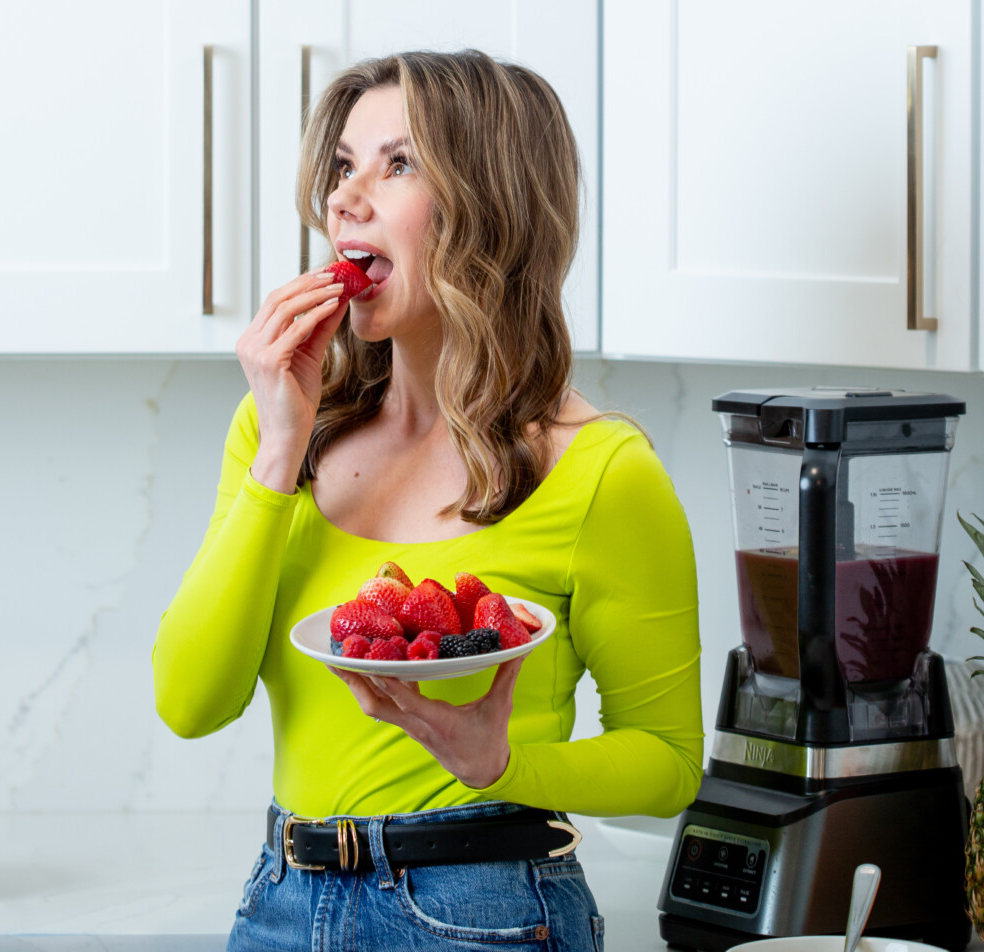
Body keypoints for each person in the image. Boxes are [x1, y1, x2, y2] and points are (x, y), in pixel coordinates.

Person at [152, 49, 703, 951]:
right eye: (342, 165)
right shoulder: (278, 435)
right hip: (283, 902)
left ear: (491, 207)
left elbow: (671, 763)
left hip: (485, 908)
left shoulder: (600, 472)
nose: (344, 198)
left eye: (396, 164)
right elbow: (188, 700)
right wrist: (279, 454)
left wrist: (502, 764)